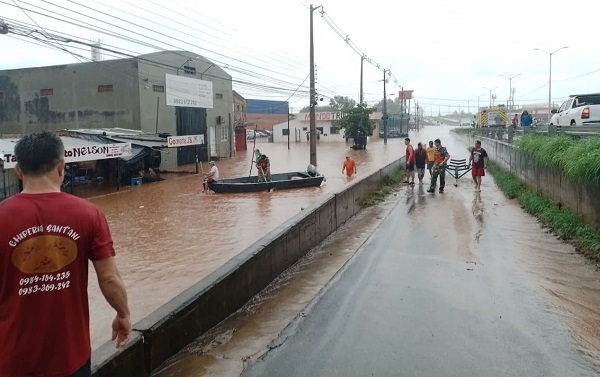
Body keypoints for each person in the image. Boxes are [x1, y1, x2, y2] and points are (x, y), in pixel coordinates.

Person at [0, 132, 131, 377]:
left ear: (18, 171)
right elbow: (109, 278)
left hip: (10, 359)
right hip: (71, 356)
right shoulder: (88, 214)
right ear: (61, 167)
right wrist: (123, 313)